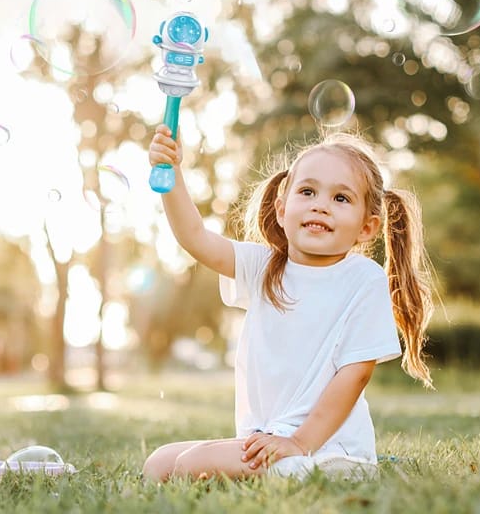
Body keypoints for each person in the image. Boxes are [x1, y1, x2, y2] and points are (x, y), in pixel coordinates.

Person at [142, 124, 436, 482]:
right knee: (158, 463)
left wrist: (300, 441)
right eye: (308, 192)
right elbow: (195, 237)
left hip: (329, 451)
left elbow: (355, 374)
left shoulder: (362, 278)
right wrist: (170, 172)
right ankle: (247, 470)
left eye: (340, 199)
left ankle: (279, 470)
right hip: (269, 440)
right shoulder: (263, 266)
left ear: (367, 228)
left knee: (190, 466)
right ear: (282, 210)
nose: (320, 206)